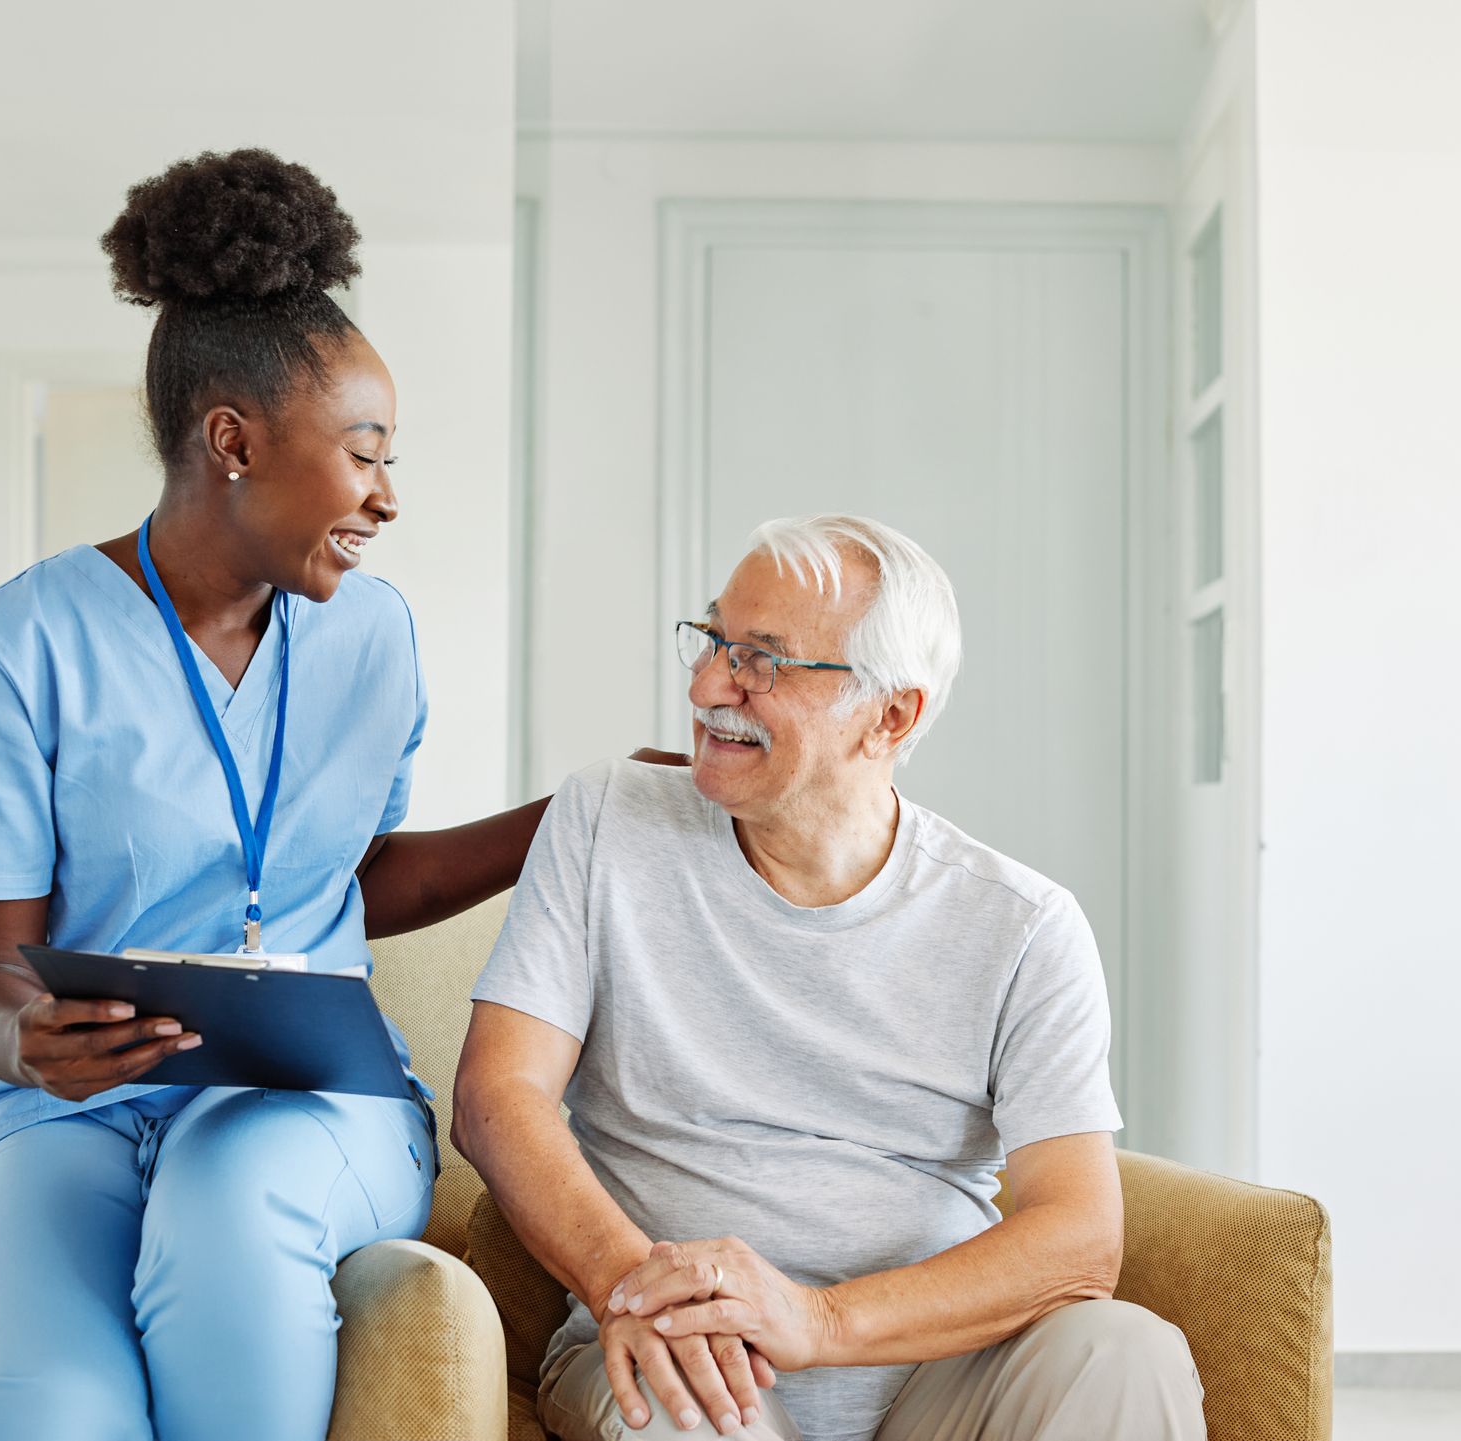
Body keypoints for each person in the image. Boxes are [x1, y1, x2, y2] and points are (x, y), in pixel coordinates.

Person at [0, 148, 668, 1441]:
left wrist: (573, 812)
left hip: (306, 1103)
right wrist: (23, 1044)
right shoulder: (6, 651)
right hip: (73, 1113)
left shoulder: (372, 638)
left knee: (231, 1200)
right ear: (234, 440)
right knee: (60, 1411)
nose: (388, 495)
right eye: (365, 454)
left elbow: (354, 875)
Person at [454, 514, 1208, 1441]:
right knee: (684, 1419)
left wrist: (819, 1322)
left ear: (892, 715)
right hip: (671, 1349)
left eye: (762, 661)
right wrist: (630, 1287)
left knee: (1124, 1354)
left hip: (931, 1380)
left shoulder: (1022, 926)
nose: (706, 686)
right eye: (714, 640)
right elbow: (497, 1094)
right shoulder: (607, 818)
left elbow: (1081, 1235)